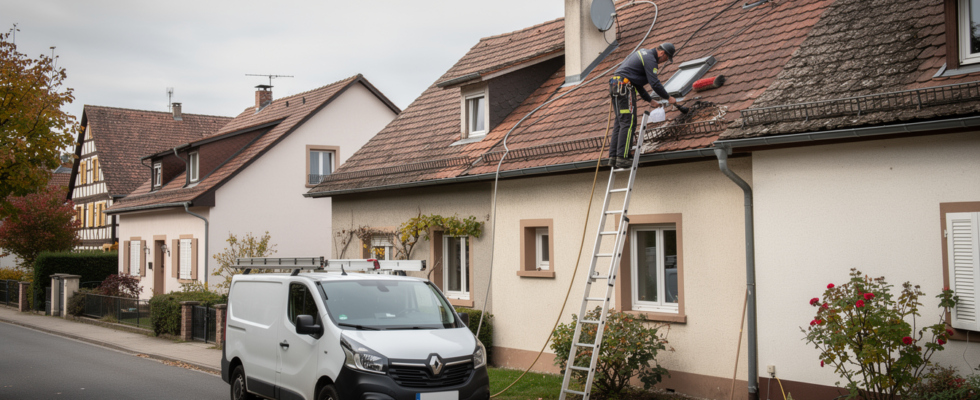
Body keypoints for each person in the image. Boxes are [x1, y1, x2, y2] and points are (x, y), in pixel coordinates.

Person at [608, 42, 677, 168]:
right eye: (667, 58)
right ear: (662, 53)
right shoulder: (651, 59)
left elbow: (638, 84)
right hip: (624, 87)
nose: (664, 61)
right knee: (629, 123)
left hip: (616, 86)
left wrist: (650, 100)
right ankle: (623, 157)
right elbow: (654, 83)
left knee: (620, 122)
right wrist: (668, 97)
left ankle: (614, 157)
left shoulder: (643, 54)